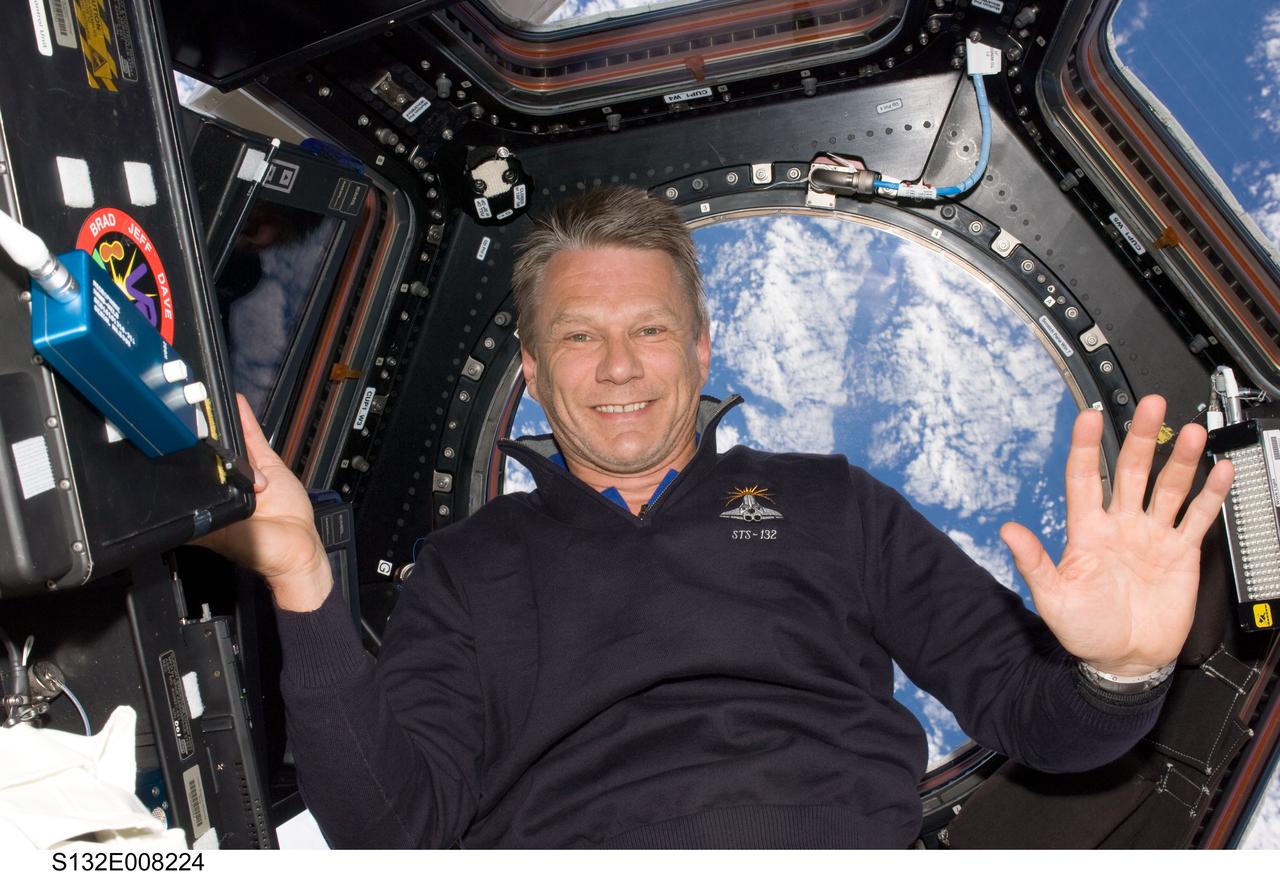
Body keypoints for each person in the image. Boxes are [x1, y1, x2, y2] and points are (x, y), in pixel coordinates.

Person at [200, 186, 1234, 848]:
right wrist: (300, 577)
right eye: (577, 336)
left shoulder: (827, 503)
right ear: (528, 371)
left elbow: (1034, 718)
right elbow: (389, 827)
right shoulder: (467, 568)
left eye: (649, 329)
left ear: (699, 351)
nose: (616, 367)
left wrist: (1122, 673)